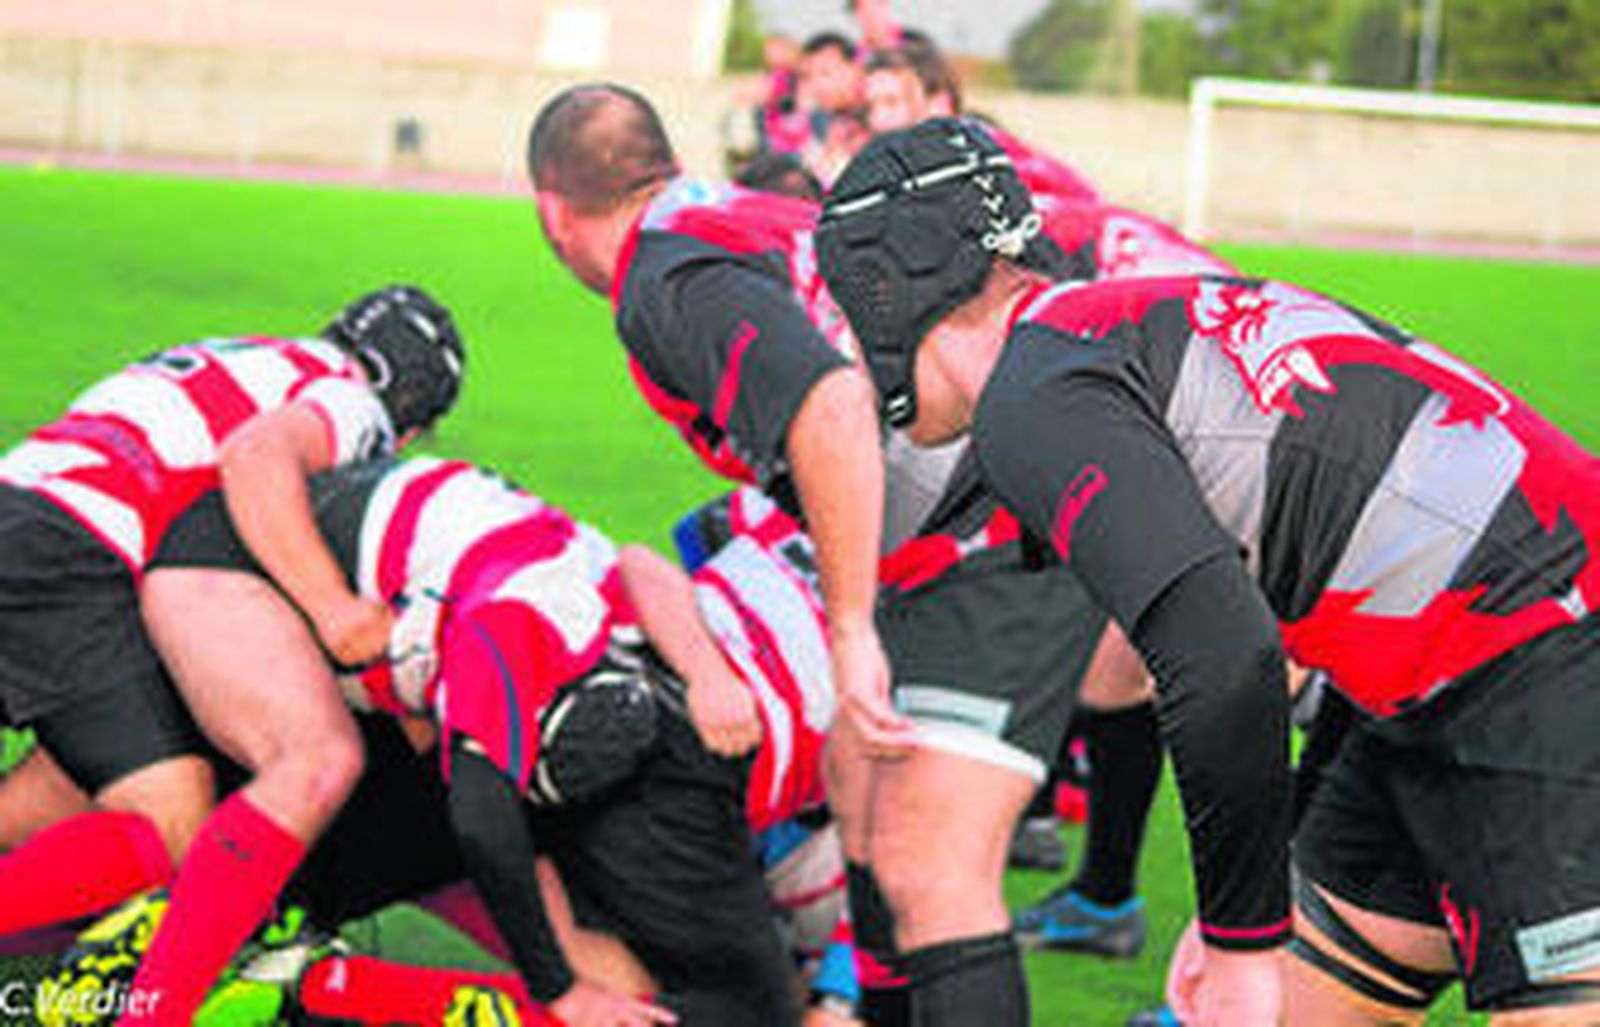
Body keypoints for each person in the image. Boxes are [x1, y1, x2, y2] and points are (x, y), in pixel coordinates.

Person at [817, 117, 1600, 1025]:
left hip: (1548, 658)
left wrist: (1241, 941)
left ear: (885, 290)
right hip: (1424, 692)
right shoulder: (1104, 327)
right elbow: (1351, 586)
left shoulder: (1030, 394)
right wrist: (1253, 904)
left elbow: (1222, 655)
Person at [140, 455, 809, 1026]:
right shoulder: (512, 630)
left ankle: (291, 966)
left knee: (623, 985)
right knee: (318, 771)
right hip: (250, 582)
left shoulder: (592, 608)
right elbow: (484, 817)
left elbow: (492, 806)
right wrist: (560, 990)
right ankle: (163, 991)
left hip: (410, 654)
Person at [0, 286, 462, 968]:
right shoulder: (351, 402)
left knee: (70, 782)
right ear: (412, 425)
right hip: (72, 555)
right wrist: (336, 610)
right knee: (174, 829)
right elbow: (254, 459)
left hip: (27, 515)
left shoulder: (246, 354)